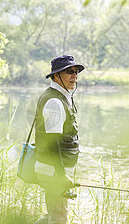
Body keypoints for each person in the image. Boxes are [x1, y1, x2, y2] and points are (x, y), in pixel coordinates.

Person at [34, 55, 85, 224]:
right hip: (54, 171)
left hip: (55, 169)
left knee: (54, 215)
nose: (74, 76)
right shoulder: (55, 101)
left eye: (76, 72)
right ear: (56, 76)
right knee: (59, 217)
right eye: (69, 72)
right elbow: (52, 142)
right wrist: (61, 174)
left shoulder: (61, 97)